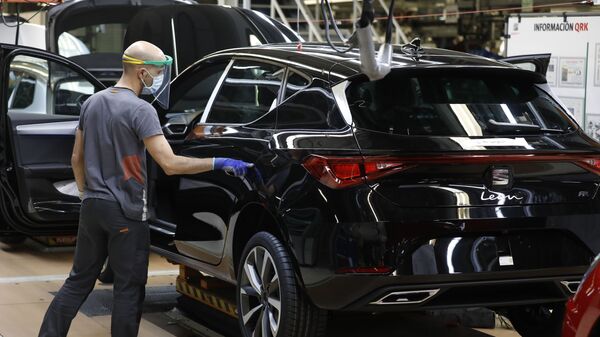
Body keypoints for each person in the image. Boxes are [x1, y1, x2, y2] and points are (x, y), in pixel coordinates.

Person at [38, 40, 252, 337]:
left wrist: (87, 193)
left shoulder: (92, 102)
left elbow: (76, 158)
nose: (159, 76)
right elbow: (170, 164)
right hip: (126, 213)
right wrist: (217, 162)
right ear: (141, 73)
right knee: (129, 288)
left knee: (78, 281)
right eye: (157, 70)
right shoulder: (141, 111)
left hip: (92, 207)